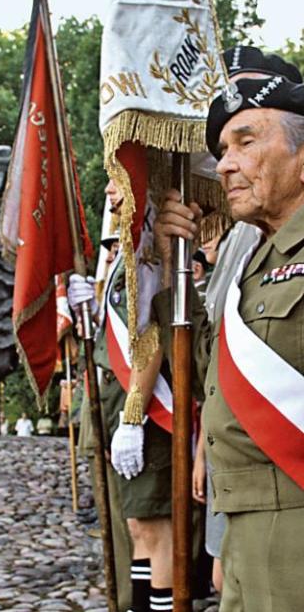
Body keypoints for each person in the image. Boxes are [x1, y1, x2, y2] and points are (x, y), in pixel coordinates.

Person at [153, 73, 304, 612]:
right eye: (222, 150)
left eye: (246, 142)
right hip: (242, 522)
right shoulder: (254, 262)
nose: (223, 165)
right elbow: (211, 378)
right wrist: (169, 271)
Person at [70, 178, 174, 612]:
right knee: (137, 528)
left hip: (147, 408)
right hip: (124, 403)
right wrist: (92, 311)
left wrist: (132, 418)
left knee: (153, 528)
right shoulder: (128, 251)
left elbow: (150, 335)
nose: (110, 191)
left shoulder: (148, 250)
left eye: (119, 180)